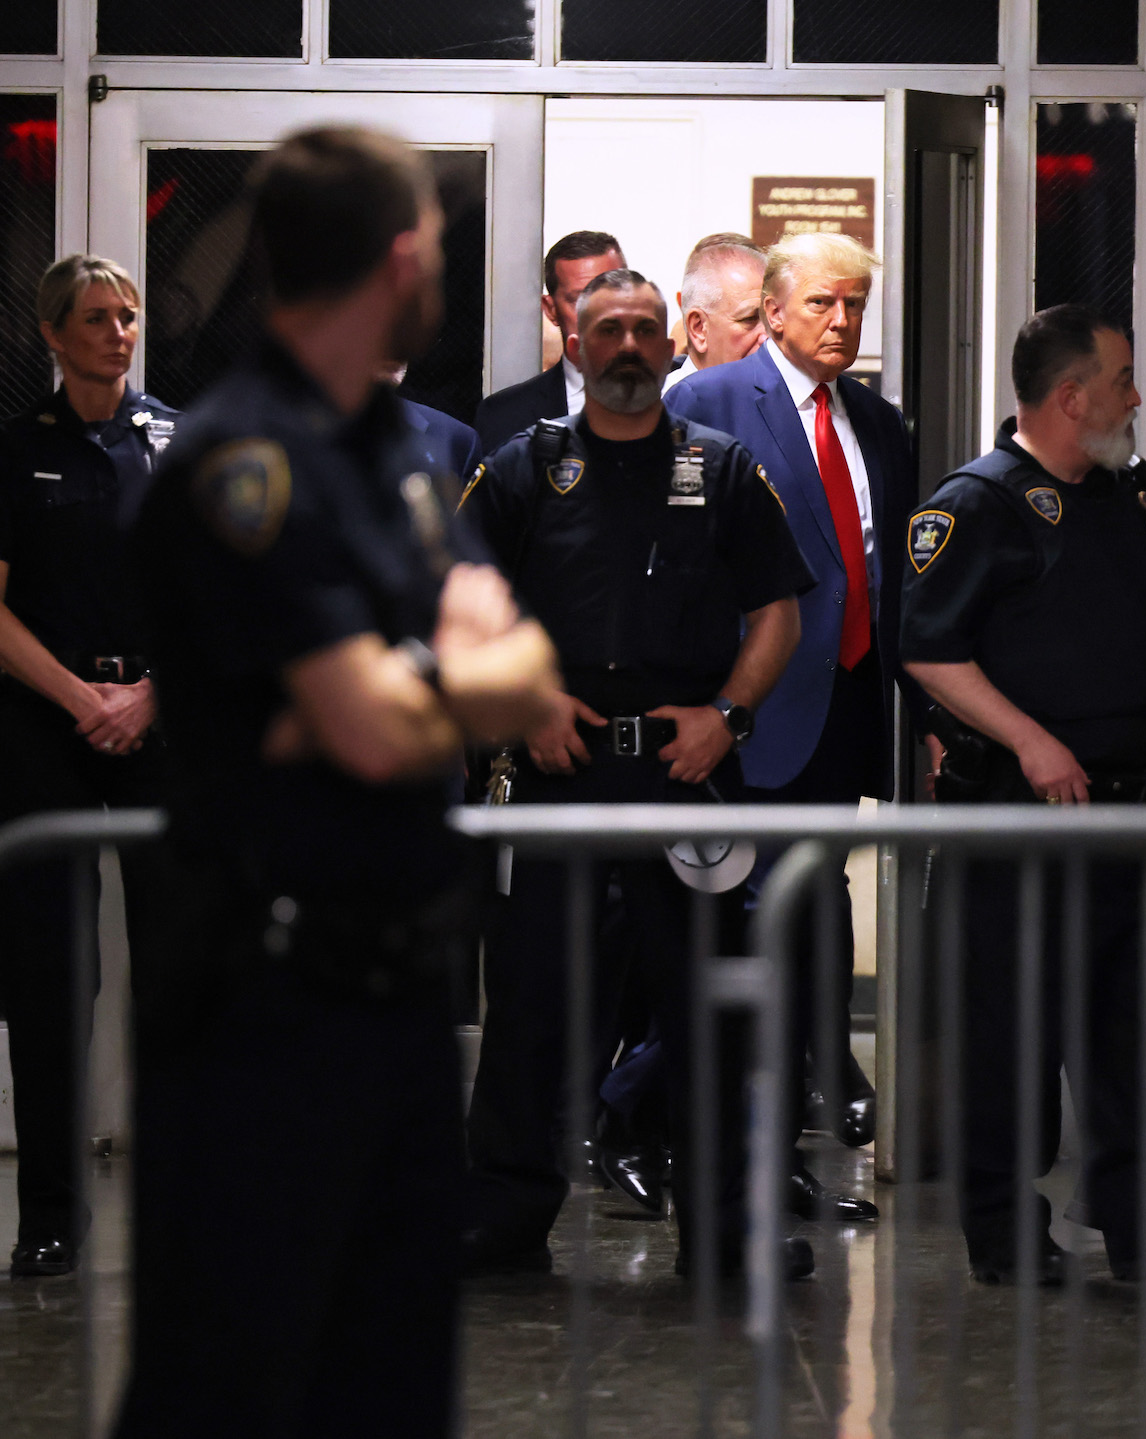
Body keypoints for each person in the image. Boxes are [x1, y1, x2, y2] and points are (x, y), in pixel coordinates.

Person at [116, 125, 561, 1437]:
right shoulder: (240, 458)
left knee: (386, 1387)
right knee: (228, 1385)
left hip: (399, 1000)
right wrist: (430, 684)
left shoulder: (382, 441)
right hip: (263, 1007)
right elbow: (378, 729)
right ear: (404, 256)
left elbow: (518, 669)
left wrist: (399, 683)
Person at [458, 266, 817, 1280]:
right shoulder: (525, 466)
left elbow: (778, 613)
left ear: (669, 347)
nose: (625, 344)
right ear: (573, 345)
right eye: (605, 328)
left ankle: (722, 1227)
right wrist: (523, 697)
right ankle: (500, 1219)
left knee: (707, 1005)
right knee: (529, 1001)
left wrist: (729, 716)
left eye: (643, 329)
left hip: (682, 771)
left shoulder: (725, 465)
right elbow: (460, 596)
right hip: (553, 768)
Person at [902, 303, 1146, 1286]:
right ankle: (1005, 1234)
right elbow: (929, 650)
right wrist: (1029, 740)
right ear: (1069, 395)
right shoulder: (975, 504)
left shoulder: (1130, 501)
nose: (1136, 396)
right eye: (1122, 378)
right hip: (1024, 815)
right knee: (1010, 1035)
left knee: (1140, 1033)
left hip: (1140, 813)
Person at [667, 231, 917, 1225]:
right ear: (770, 311)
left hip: (848, 710)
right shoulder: (708, 403)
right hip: (746, 715)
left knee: (809, 934)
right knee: (748, 939)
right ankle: (709, 1144)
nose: (841, 322)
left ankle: (776, 1154)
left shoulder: (877, 421)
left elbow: (884, 571)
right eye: (821, 304)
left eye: (854, 305)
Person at [0, 255, 176, 1278]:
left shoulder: (182, 441)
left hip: (161, 717)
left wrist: (149, 697)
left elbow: (219, 598)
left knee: (177, 970)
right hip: (42, 728)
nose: (118, 333)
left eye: (128, 317)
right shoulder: (18, 450)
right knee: (51, 980)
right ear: (52, 334)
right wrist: (80, 699)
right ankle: (51, 1215)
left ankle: (179, 1201)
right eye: (97, 319)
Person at [470, 230, 626, 455]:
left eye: (613, 295)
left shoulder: (672, 393)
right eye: (580, 301)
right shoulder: (505, 415)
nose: (600, 314)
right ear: (551, 309)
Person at [664, 233, 767, 391]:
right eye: (749, 319)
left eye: (771, 317)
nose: (767, 336)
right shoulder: (663, 410)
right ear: (699, 328)